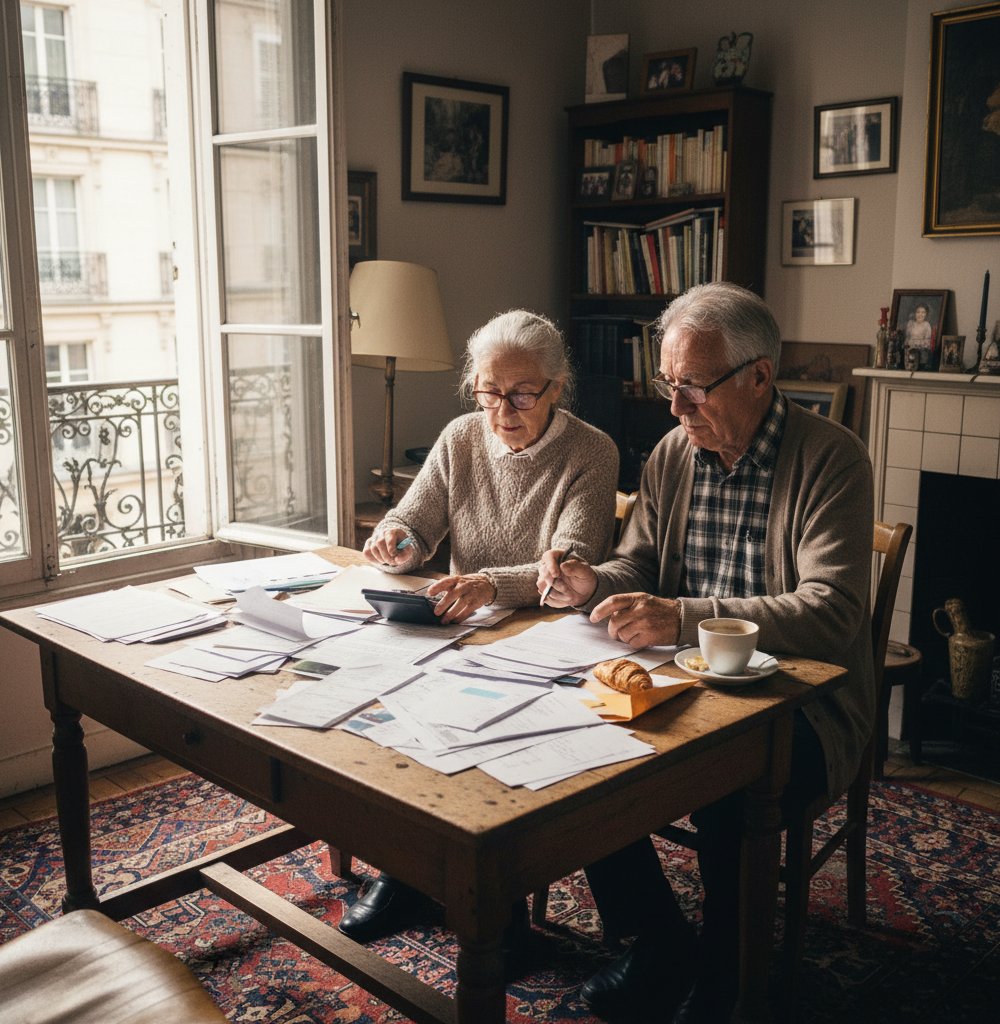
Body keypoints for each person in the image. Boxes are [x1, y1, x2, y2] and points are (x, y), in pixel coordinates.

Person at [538, 282, 874, 1023]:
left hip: (803, 702)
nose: (675, 407)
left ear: (759, 375)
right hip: (684, 685)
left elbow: (833, 612)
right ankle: (661, 943)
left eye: (692, 386)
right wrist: (594, 581)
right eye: (669, 384)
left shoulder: (833, 459)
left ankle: (728, 978)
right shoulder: (672, 454)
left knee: (729, 791)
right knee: (576, 747)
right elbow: (639, 566)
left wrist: (684, 617)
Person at [341, 308, 620, 943]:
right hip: (460, 627)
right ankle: (404, 873)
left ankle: (499, 905)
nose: (502, 410)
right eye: (489, 392)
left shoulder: (591, 450)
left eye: (522, 394)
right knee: (386, 708)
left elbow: (570, 562)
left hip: (547, 638)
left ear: (556, 388)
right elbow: (415, 522)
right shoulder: (461, 436)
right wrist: (396, 541)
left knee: (487, 730)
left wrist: (491, 583)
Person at [904, 304, 933, 369]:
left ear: (926, 314)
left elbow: (927, 342)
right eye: (918, 312)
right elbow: (907, 338)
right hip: (910, 351)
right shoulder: (910, 323)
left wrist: (917, 344)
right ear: (915, 313)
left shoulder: (927, 325)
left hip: (921, 352)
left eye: (923, 312)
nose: (920, 315)